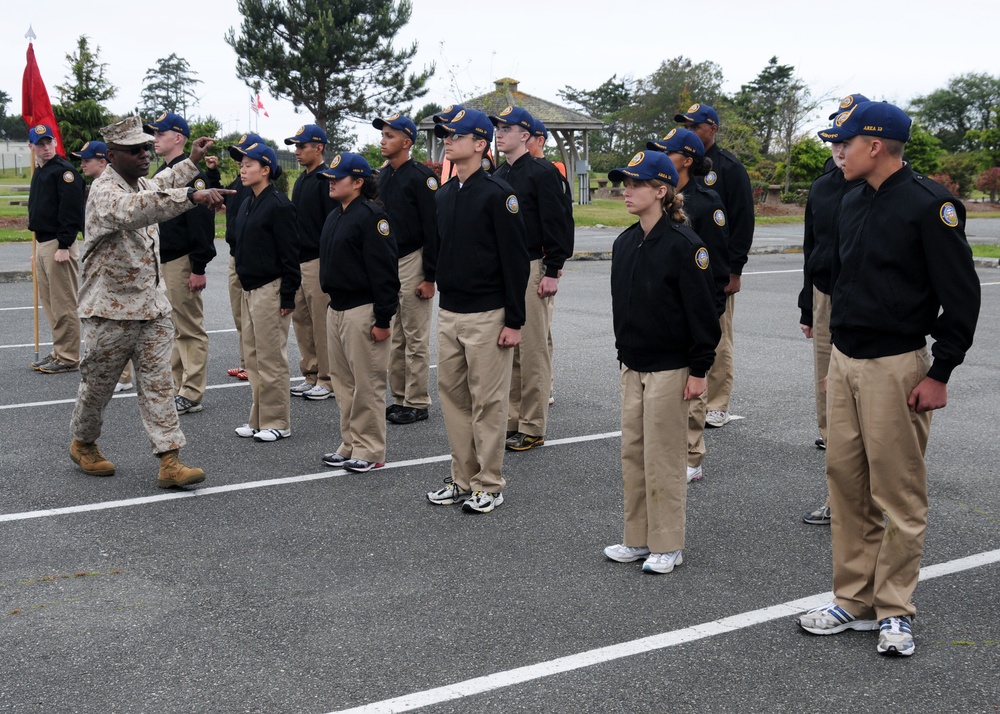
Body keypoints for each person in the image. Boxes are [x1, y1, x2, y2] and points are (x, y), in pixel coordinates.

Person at [796, 102, 980, 657]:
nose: (838, 153)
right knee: (847, 486)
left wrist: (940, 371)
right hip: (847, 364)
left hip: (896, 366)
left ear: (875, 146)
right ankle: (853, 599)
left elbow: (961, 296)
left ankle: (895, 610)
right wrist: (836, 368)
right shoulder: (852, 198)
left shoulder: (931, 207)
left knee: (897, 494)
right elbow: (842, 280)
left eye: (845, 144)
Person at [69, 116, 230, 488]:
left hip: (151, 308)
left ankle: (170, 459)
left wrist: (190, 162)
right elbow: (140, 208)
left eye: (145, 147)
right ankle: (83, 442)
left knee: (159, 384)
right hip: (110, 310)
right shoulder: (104, 191)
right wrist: (192, 196)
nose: (144, 154)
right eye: (134, 150)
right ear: (111, 155)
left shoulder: (140, 181)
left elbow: (157, 184)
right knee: (98, 385)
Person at [603, 149, 720, 574]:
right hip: (632, 364)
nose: (627, 191)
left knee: (664, 456)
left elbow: (704, 313)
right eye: (626, 183)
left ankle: (668, 543)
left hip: (671, 367)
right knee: (633, 453)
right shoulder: (626, 241)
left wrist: (698, 369)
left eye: (636, 184)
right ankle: (638, 538)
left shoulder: (685, 244)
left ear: (661, 190)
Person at [424, 108, 529, 514]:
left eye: (456, 134)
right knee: (453, 399)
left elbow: (516, 261)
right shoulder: (446, 194)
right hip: (450, 311)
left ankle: (490, 482)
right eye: (446, 135)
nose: (448, 139)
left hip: (488, 314)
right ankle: (463, 477)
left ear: (480, 144)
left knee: (488, 402)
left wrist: (514, 321)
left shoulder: (499, 194)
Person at [797, 94, 869, 526]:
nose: (839, 149)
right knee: (830, 403)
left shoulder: (877, 188)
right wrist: (808, 303)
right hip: (826, 299)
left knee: (869, 410)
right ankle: (837, 495)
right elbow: (813, 247)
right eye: (834, 140)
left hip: (864, 305)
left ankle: (870, 498)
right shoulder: (824, 186)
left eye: (849, 139)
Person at [646, 128, 729, 483]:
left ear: (688, 160)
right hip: (665, 310)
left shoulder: (707, 204)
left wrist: (708, 313)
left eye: (669, 151)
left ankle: (692, 455)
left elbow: (716, 267)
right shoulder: (662, 198)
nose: (662, 155)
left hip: (696, 307)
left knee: (693, 385)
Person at [490, 105, 573, 452]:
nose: (499, 133)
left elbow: (559, 223)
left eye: (506, 129)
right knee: (509, 348)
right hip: (503, 269)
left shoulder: (542, 172)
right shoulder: (498, 174)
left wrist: (552, 270)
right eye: (497, 128)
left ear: (525, 135)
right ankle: (512, 419)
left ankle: (533, 424)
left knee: (532, 349)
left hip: (532, 264)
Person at [318, 153, 399, 472]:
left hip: (363, 310)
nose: (331, 181)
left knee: (367, 384)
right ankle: (350, 442)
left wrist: (382, 319)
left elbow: (385, 273)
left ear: (358, 182)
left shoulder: (372, 217)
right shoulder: (336, 214)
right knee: (343, 382)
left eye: (338, 177)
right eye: (330, 177)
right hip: (337, 308)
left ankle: (371, 449)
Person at [674, 103, 754, 428]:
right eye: (686, 126)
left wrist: (735, 270)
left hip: (716, 268)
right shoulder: (679, 169)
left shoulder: (730, 168)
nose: (690, 131)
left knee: (718, 336)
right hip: (685, 268)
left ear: (713, 128)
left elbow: (742, 222)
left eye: (695, 126)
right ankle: (692, 393)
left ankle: (717, 402)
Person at [146, 112, 216, 415]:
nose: (154, 139)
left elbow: (202, 225)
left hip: (182, 260)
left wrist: (198, 267)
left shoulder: (191, 174)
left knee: (189, 329)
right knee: (172, 329)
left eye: (160, 134)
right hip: (163, 260)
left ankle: (192, 391)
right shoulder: (163, 171)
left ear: (178, 138)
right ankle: (176, 386)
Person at [231, 141, 301, 443]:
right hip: (250, 289)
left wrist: (287, 295)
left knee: (271, 359)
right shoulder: (249, 200)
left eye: (249, 164)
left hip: (270, 289)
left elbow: (289, 255)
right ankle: (258, 418)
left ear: (266, 169)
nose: (242, 169)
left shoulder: (279, 205)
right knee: (254, 357)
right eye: (241, 164)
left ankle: (277, 421)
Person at [374, 113, 440, 425]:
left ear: (406, 142)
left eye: (389, 135)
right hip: (389, 259)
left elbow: (433, 229)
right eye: (383, 135)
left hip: (414, 258)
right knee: (396, 335)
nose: (383, 140)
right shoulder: (384, 176)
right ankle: (400, 397)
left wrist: (429, 276)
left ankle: (418, 401)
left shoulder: (421, 177)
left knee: (414, 335)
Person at [71, 140, 135, 395]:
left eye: (87, 159)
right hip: (100, 267)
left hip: (116, 269)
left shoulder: (115, 188)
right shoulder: (97, 186)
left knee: (118, 322)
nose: (82, 163)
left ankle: (124, 374)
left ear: (103, 161)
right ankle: (118, 373)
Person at [284, 124, 337, 401]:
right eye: (295, 147)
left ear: (319, 147)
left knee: (321, 323)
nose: (297, 152)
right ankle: (311, 373)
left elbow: (331, 224)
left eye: (302, 146)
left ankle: (328, 380)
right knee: (302, 321)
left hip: (318, 259)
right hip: (299, 259)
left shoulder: (325, 179)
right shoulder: (302, 180)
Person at [27, 123, 84, 375]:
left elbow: (71, 211)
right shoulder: (40, 171)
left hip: (59, 245)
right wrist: (38, 246)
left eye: (49, 142)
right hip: (43, 243)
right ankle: (59, 349)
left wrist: (63, 244)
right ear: (31, 147)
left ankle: (69, 356)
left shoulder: (64, 172)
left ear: (55, 143)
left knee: (63, 303)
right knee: (49, 302)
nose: (46, 147)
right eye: (40, 144)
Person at [205, 132, 263, 382]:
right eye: (240, 155)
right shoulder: (241, 182)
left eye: (246, 155)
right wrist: (213, 174)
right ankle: (246, 362)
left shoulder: (259, 185)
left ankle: (257, 364)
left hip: (252, 258)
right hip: (235, 255)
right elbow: (228, 196)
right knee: (240, 315)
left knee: (254, 317)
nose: (241, 161)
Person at [527, 118, 573, 408]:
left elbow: (560, 222)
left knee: (540, 329)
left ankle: (545, 386)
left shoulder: (551, 172)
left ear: (540, 140)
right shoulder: (512, 172)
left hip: (541, 260)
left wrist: (553, 266)